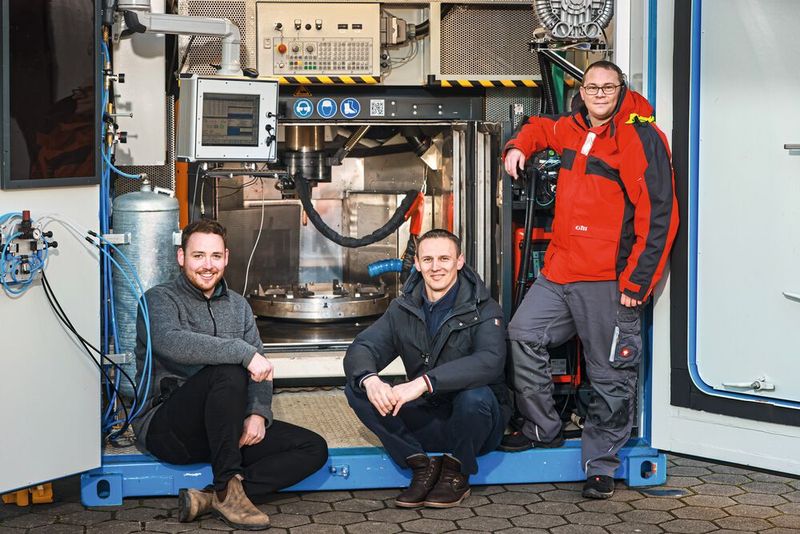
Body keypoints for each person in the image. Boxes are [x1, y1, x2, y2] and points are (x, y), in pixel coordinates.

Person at [501, 61, 678, 499]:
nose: (599, 94)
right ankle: (544, 427)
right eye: (592, 87)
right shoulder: (572, 127)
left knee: (610, 373)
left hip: (608, 280)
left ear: (620, 90)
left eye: (608, 87)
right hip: (560, 271)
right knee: (522, 334)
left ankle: (600, 464)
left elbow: (659, 216)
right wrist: (517, 146)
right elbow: (540, 127)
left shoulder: (639, 137)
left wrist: (637, 283)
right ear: (581, 91)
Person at [133, 219, 328, 530]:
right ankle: (227, 484)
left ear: (226, 257)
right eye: (198, 256)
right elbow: (172, 342)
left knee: (313, 448)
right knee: (227, 369)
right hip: (170, 429)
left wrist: (257, 414)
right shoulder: (158, 300)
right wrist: (242, 352)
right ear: (181, 257)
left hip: (223, 432)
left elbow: (260, 367)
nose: (207, 265)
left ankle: (217, 496)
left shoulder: (238, 306)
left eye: (214, 256)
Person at [343, 229, 510, 508]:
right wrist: (372, 381)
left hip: (475, 424)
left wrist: (423, 383)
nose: (436, 267)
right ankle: (421, 465)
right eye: (428, 259)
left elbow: (489, 361)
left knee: (475, 396)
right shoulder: (402, 308)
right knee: (357, 387)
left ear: (459, 261)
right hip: (429, 417)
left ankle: (457, 472)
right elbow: (363, 348)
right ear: (417, 264)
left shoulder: (485, 308)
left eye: (444, 258)